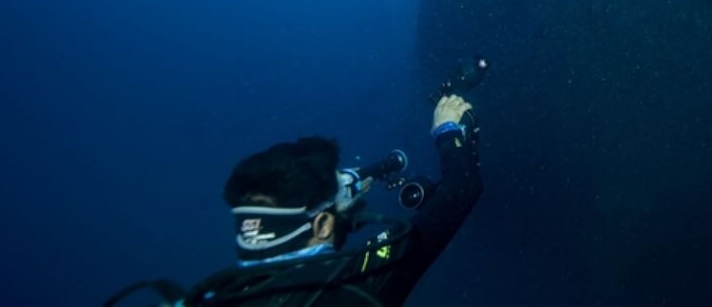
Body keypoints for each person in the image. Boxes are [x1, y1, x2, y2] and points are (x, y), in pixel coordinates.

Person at [103, 94, 482, 307]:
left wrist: (338, 217)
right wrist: (448, 130)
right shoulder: (352, 287)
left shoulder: (213, 297)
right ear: (320, 223)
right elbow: (461, 190)